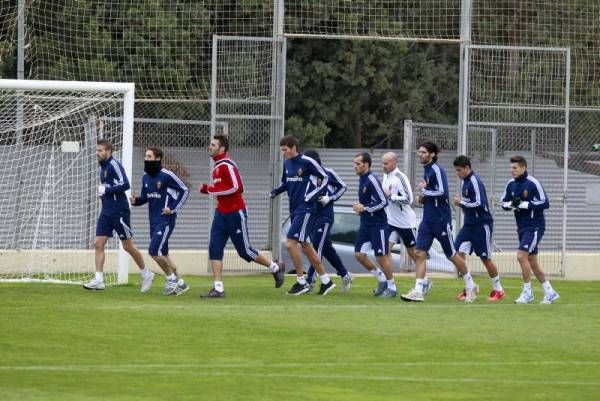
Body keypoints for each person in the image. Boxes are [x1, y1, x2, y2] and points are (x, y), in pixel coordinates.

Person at [199, 135, 285, 298]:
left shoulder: (227, 165)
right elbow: (223, 189)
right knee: (214, 248)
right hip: (221, 214)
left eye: (213, 145)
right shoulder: (216, 167)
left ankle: (275, 267)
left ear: (222, 149)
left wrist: (210, 189)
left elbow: (237, 187)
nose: (209, 147)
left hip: (235, 213)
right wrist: (212, 190)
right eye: (210, 144)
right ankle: (218, 289)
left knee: (244, 251)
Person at [400, 141, 479, 303]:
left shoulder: (437, 170)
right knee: (419, 253)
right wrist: (423, 198)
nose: (420, 154)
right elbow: (432, 194)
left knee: (451, 255)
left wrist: (424, 191)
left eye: (423, 152)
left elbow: (442, 192)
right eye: (419, 152)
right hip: (427, 220)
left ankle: (471, 285)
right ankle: (418, 290)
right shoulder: (427, 170)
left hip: (440, 220)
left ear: (432, 154)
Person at [84, 139, 155, 292]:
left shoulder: (114, 165)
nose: (98, 153)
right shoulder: (102, 167)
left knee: (127, 246)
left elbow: (125, 184)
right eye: (97, 150)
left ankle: (146, 274)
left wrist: (105, 190)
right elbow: (107, 187)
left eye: (101, 151)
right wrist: (103, 194)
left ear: (108, 152)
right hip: (106, 212)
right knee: (98, 243)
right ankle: (98, 279)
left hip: (119, 212)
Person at [270, 135, 335, 296]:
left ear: (293, 148)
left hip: (305, 209)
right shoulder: (287, 164)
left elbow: (325, 178)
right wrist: (276, 191)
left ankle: (301, 282)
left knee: (290, 243)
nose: (283, 153)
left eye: (285, 150)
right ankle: (327, 281)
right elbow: (286, 183)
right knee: (306, 246)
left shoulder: (307, 161)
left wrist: (312, 195)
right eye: (282, 150)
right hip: (294, 209)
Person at [129, 146, 190, 296]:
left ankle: (170, 279)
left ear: (157, 159)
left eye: (149, 156)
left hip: (166, 219)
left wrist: (172, 208)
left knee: (153, 251)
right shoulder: (145, 176)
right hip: (153, 220)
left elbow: (185, 190)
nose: (146, 159)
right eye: (145, 156)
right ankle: (181, 283)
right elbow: (145, 197)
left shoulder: (166, 175)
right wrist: (136, 201)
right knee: (164, 253)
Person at [501, 155, 560, 304]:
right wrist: (510, 205)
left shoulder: (533, 183)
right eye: (511, 168)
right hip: (521, 227)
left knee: (521, 256)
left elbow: (545, 202)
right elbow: (503, 203)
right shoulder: (511, 184)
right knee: (532, 261)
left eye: (515, 168)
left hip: (535, 226)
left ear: (523, 168)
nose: (512, 170)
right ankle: (550, 292)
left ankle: (527, 293)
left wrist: (526, 205)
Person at [452, 155, 505, 302]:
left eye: (459, 170)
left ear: (467, 168)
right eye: (456, 171)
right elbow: (468, 204)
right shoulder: (465, 182)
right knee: (456, 253)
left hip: (482, 225)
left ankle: (498, 289)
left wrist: (460, 202)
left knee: (485, 258)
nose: (458, 174)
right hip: (469, 225)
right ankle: (470, 285)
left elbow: (479, 204)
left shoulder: (475, 181)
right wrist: (463, 206)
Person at [303, 149, 353, 293]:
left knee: (316, 247)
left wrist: (330, 197)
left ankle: (310, 281)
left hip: (325, 216)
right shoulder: (307, 176)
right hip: (311, 216)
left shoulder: (328, 173)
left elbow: (343, 186)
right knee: (327, 249)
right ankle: (345, 274)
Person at [380, 152, 428, 290]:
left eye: (386, 163)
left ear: (394, 163)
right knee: (383, 251)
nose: (383, 166)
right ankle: (390, 284)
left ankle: (424, 281)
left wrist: (392, 197)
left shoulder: (400, 178)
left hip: (406, 223)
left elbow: (409, 199)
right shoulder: (386, 176)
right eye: (382, 163)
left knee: (415, 254)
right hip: (391, 222)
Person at [352, 152, 397, 297]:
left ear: (366, 165)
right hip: (366, 223)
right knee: (359, 255)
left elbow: (383, 201)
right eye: (354, 163)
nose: (355, 166)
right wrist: (360, 208)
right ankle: (381, 279)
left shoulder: (371, 179)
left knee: (381, 256)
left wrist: (364, 208)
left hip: (378, 224)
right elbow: (370, 202)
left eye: (358, 164)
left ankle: (392, 288)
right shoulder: (362, 179)